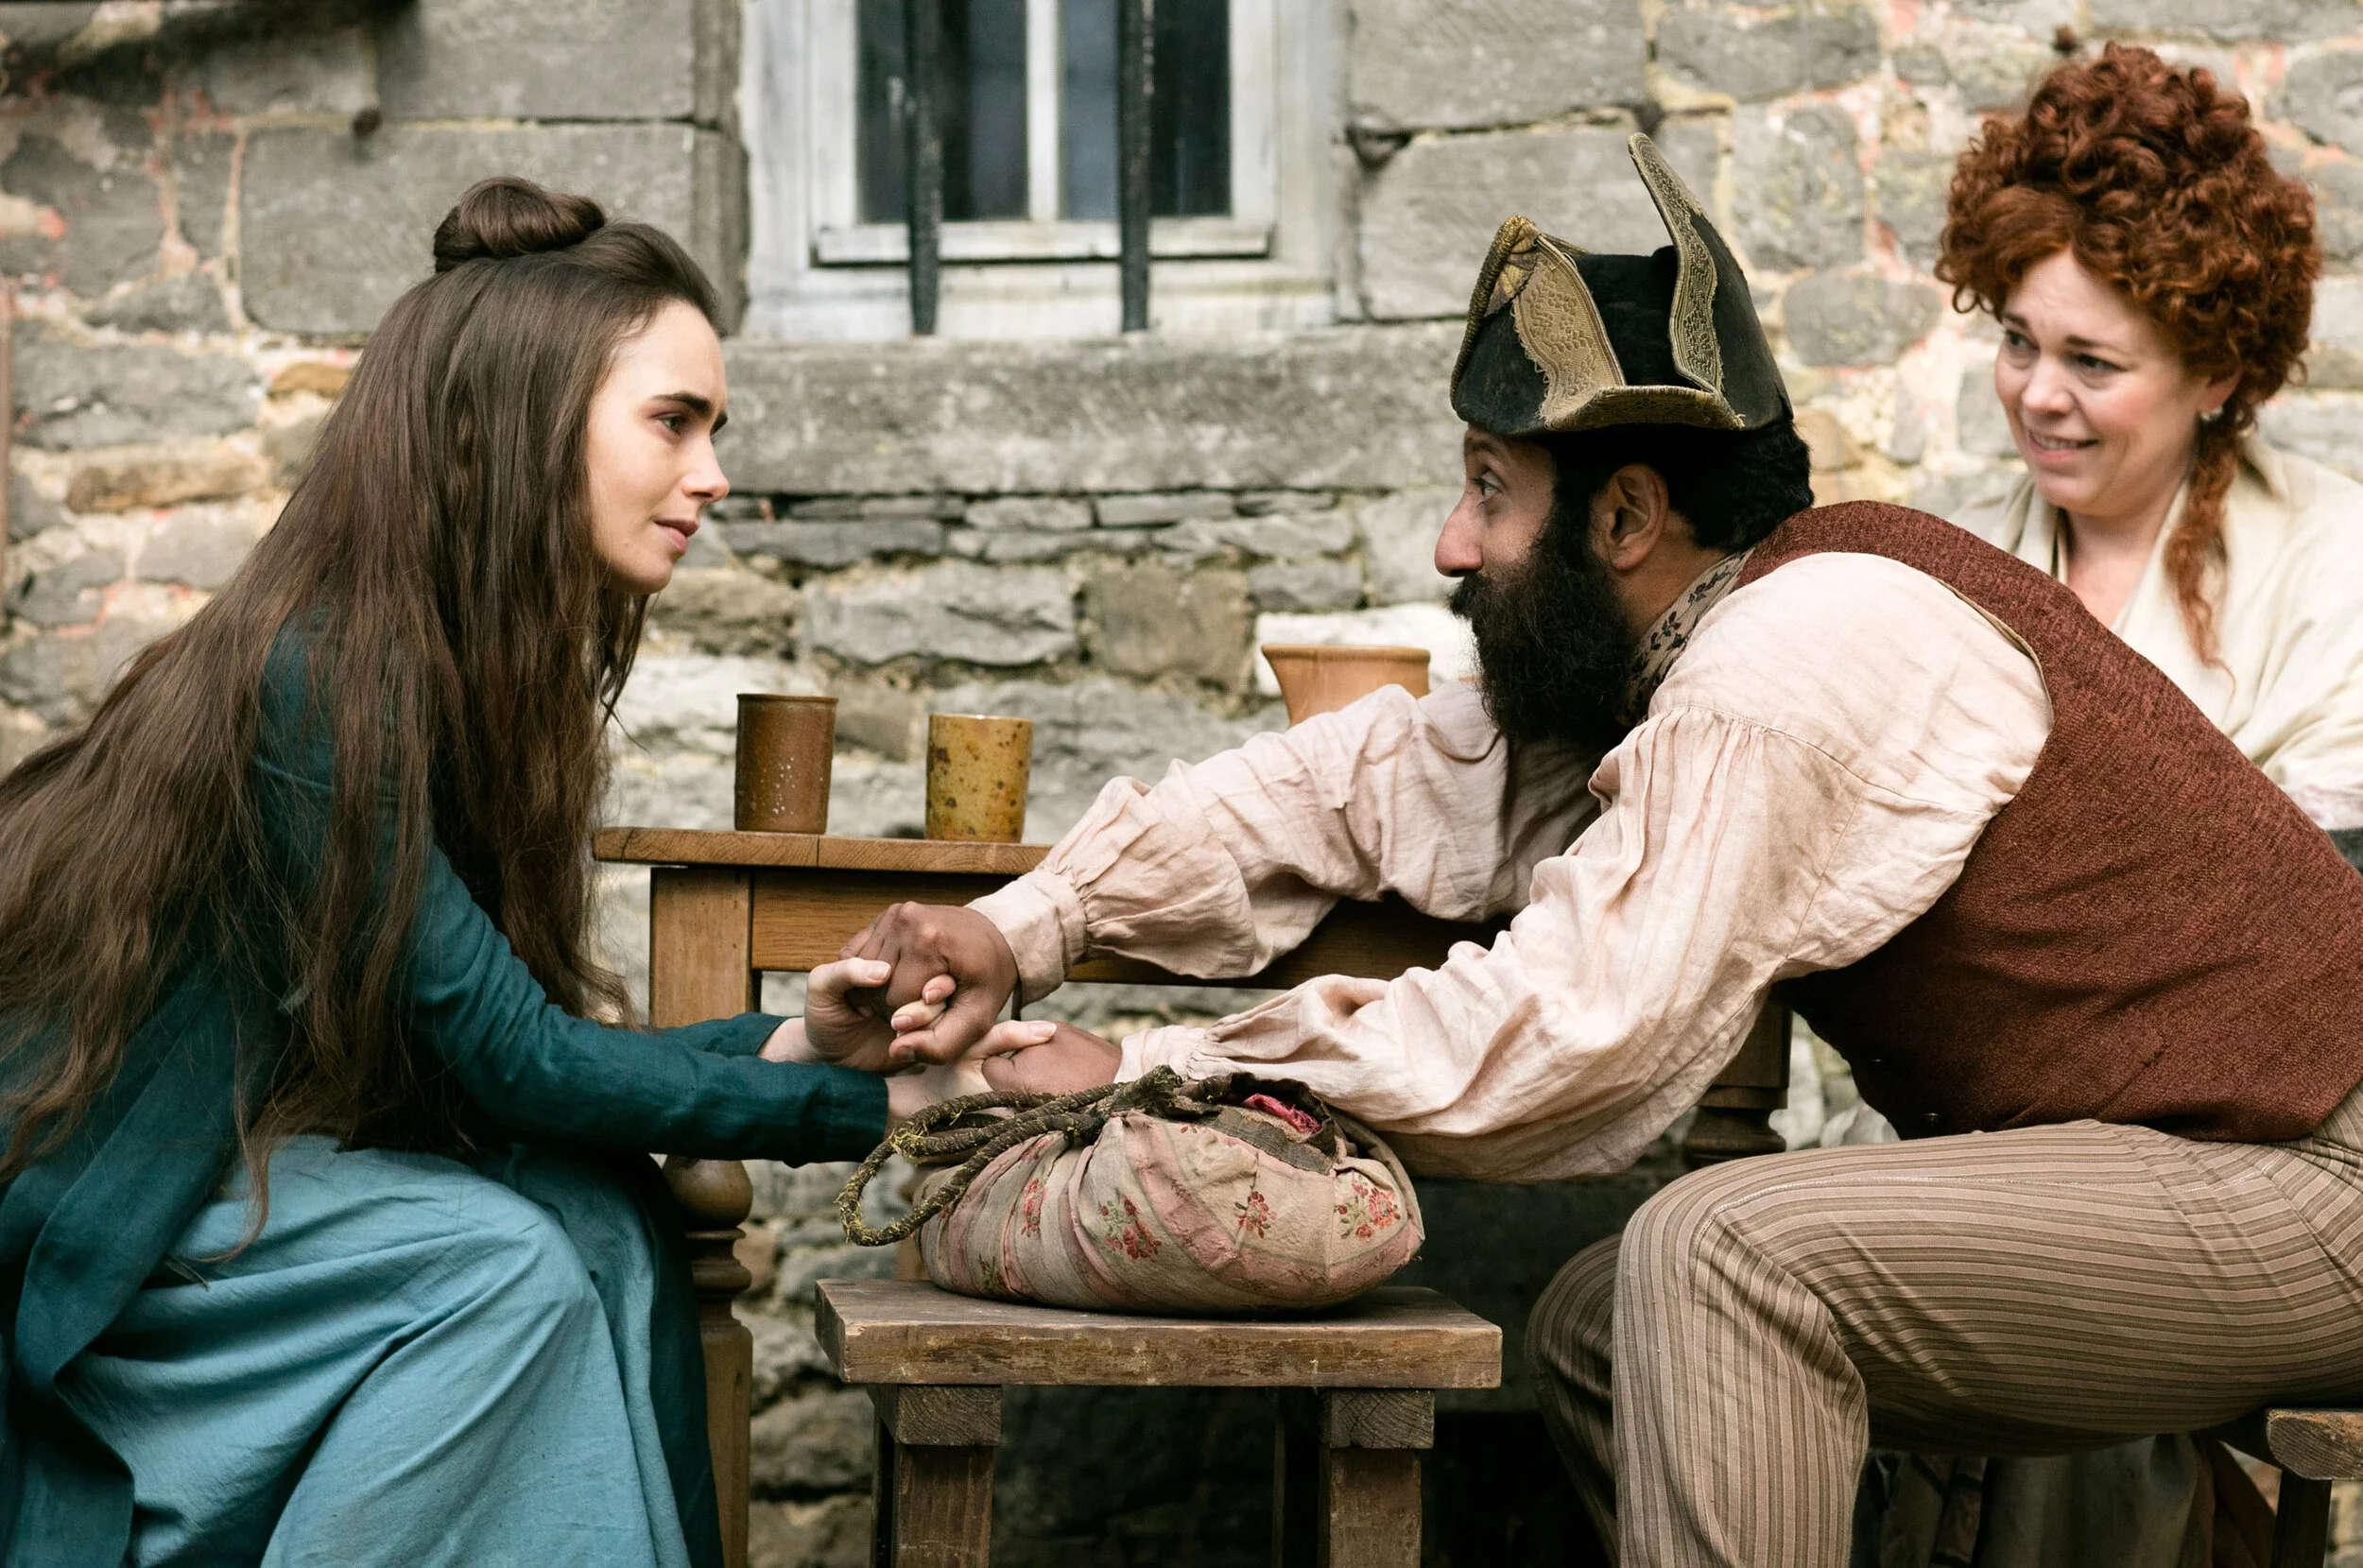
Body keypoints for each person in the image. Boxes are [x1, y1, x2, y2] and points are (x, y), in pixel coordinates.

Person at [842, 135, 2363, 1568]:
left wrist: (1147, 1063)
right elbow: (1365, 776)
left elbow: (1577, 1033)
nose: (1454, 541)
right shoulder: (1690, 648)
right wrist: (1026, 924)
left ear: (1628, 513)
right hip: (2199, 1162)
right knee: (1602, 1319)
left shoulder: (1790, 661)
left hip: (2310, 1174)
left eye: (1493, 490)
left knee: (1720, 1254)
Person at [0, 178, 1026, 1568]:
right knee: (500, 1266)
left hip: (241, 1162)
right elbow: (515, 1060)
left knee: (598, 1219)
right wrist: (890, 1104)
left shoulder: (469, 676)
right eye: (674, 421)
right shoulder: (316, 669)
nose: (712, 474)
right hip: (98, 1204)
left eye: (712, 428)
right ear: (527, 418)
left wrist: (801, 1037)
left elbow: (498, 1041)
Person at [1947, 44, 2363, 861]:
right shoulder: (1944, 571)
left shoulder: (2335, 570)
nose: (2037, 396)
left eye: (2091, 361)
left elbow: (2319, 913)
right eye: (2019, 341)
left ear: (2216, 372)